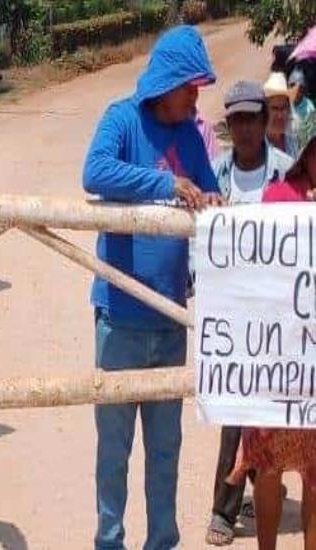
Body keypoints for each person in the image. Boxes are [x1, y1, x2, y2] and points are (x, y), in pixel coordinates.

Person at [82, 25, 221, 550]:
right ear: (169, 81)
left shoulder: (190, 132)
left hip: (169, 319)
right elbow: (93, 171)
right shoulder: (121, 119)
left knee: (166, 451)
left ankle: (162, 542)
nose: (196, 95)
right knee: (113, 452)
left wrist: (211, 200)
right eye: (191, 85)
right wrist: (165, 184)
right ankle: (109, 543)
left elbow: (209, 192)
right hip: (118, 316)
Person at [204, 80, 293, 546]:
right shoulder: (215, 175)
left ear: (264, 121)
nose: (243, 128)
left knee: (273, 410)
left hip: (280, 315)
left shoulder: (287, 174)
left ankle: (264, 499)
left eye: (250, 118)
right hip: (234, 316)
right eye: (235, 119)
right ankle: (224, 508)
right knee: (234, 410)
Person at [225, 136, 316, 550]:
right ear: (308, 153)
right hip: (276, 358)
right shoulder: (277, 196)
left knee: (315, 472)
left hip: (312, 363)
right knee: (268, 465)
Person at [264, 72, 299, 159]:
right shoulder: (255, 147)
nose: (280, 115)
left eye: (283, 108)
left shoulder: (293, 142)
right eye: (275, 108)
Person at [289, 68, 316, 145]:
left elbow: (310, 134)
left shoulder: (309, 107)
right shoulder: (285, 102)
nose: (296, 91)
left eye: (300, 88)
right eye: (292, 86)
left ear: (304, 91)